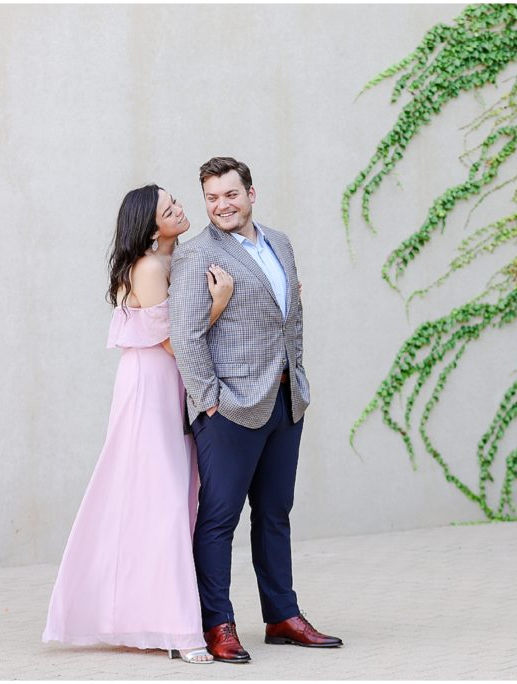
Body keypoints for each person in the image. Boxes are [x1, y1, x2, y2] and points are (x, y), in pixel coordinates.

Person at [43, 184, 233, 665]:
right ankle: (180, 630)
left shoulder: (177, 262)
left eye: (175, 201)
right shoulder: (149, 268)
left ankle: (150, 615)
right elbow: (172, 343)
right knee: (164, 501)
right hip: (150, 385)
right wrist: (220, 302)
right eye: (168, 209)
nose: (179, 209)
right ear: (151, 227)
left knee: (168, 500)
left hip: (171, 385)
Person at [169, 157, 341, 664]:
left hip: (286, 401)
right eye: (212, 197)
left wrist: (298, 378)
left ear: (251, 194)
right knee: (218, 519)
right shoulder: (196, 254)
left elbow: (289, 316)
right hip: (230, 409)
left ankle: (282, 616)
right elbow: (185, 335)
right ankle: (218, 623)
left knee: (274, 513)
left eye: (230, 195)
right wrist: (210, 402)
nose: (221, 205)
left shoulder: (280, 243)